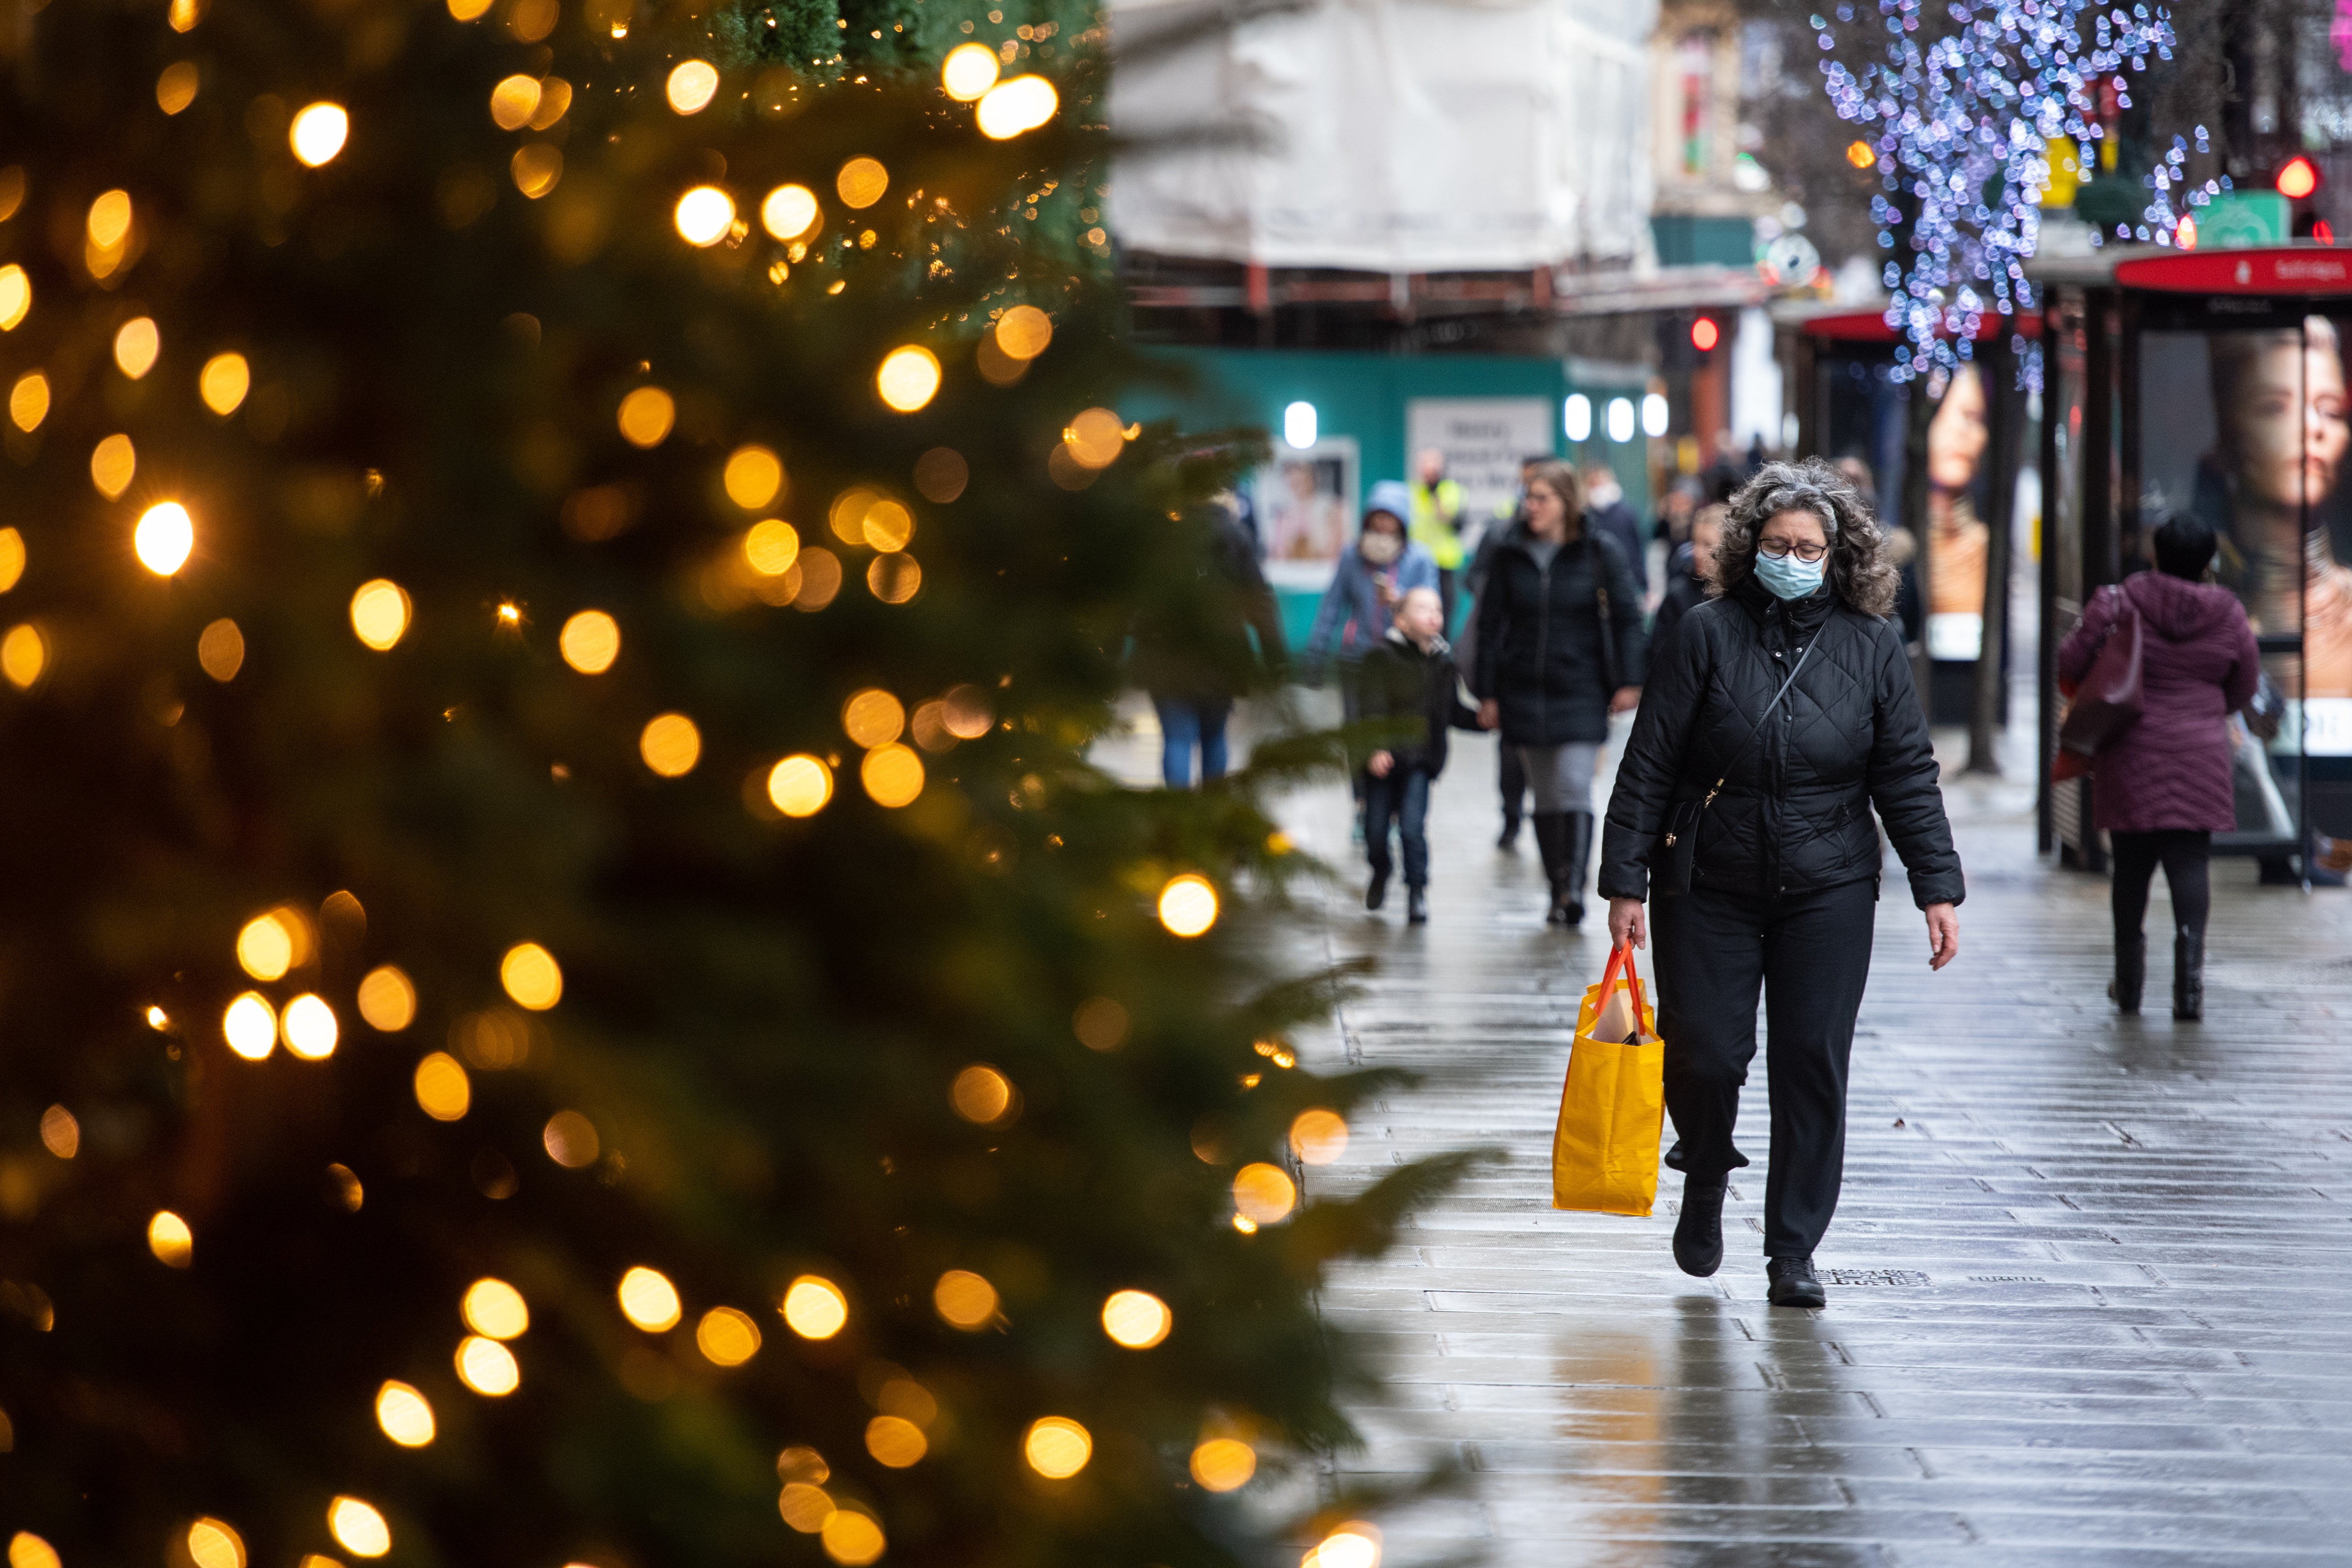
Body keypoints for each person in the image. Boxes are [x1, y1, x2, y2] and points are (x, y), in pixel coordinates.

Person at [1600, 459, 1963, 1310]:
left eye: (1808, 547)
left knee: (1811, 1063)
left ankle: (1792, 1249)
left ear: (1839, 555)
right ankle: (1705, 1167)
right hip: (1708, 880)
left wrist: (1935, 885)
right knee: (1707, 1055)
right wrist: (1624, 882)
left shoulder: (1872, 645)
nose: (1791, 558)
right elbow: (1648, 761)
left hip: (1829, 884)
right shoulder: (1703, 633)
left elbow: (1905, 772)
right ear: (1748, 546)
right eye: (1776, 544)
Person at [2058, 515, 2260, 1021]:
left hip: (2131, 752)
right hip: (2200, 753)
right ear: (2208, 561)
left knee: (2131, 868)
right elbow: (2244, 685)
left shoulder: (2119, 601)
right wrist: (2207, 707)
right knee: (2191, 864)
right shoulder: (2228, 612)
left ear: (2155, 553)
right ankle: (2189, 988)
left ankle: (2128, 985)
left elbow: (2070, 661)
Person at [1472, 460, 1646, 924]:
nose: (1530, 507)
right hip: (1522, 689)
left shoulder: (1598, 550)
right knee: (1545, 794)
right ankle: (1556, 885)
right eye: (1527, 498)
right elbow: (1488, 627)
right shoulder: (1509, 553)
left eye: (1541, 498)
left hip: (1582, 686)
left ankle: (1573, 888)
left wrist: (1631, 680)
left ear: (1566, 503)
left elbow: (1628, 617)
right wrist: (1486, 693)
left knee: (1572, 785)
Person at [1135, 501, 1287, 788]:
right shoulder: (1236, 536)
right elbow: (1259, 602)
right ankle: (1212, 817)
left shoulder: (1161, 538)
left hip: (1167, 655)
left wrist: (1113, 651)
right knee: (1214, 736)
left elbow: (1136, 600)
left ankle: (1180, 823)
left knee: (1177, 739)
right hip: (1222, 658)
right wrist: (1276, 659)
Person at [1354, 586, 1479, 925]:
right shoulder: (1381, 658)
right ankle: (1381, 869)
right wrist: (1375, 747)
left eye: (1437, 609)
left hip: (1421, 761)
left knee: (1412, 828)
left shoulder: (1443, 664)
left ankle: (1417, 891)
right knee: (1376, 831)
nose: (1433, 615)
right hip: (1384, 761)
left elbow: (1451, 711)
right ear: (1401, 619)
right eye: (1423, 608)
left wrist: (1483, 720)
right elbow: (1371, 707)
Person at [1459, 456, 1552, 849]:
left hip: (1558, 670)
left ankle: (1553, 823)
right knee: (1512, 750)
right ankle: (1512, 816)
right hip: (1511, 657)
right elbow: (1475, 581)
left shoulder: (1581, 541)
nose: (1532, 500)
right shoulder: (1500, 535)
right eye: (1528, 488)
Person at [1305, 481, 1439, 681]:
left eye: (1390, 516)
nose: (1382, 522)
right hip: (1357, 657)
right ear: (1368, 518)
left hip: (1404, 659)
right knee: (1358, 713)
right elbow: (1331, 607)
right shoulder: (1353, 556)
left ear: (1402, 520)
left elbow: (1432, 610)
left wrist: (1400, 601)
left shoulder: (1420, 559)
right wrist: (1315, 658)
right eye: (1378, 515)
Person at [1651, 502, 1724, 656]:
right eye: (1695, 542)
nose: (1697, 552)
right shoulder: (1677, 596)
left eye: (1708, 545)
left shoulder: (1744, 595)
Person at [1408, 448, 1468, 624]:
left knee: (1443, 614)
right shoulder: (1412, 491)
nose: (1429, 472)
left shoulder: (1451, 491)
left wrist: (1434, 492)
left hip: (1445, 564)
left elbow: (1452, 522)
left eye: (1433, 468)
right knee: (1417, 612)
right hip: (1418, 562)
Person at [1581, 460, 1650, 595]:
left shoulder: (1627, 513)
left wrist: (1643, 584)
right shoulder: (1585, 515)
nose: (1598, 488)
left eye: (1602, 483)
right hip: (1595, 582)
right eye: (1594, 484)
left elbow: (1637, 549)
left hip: (1628, 580)